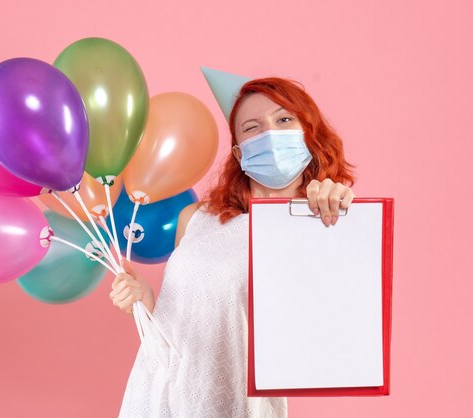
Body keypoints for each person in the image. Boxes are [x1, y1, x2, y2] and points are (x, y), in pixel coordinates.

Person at [111, 68, 356, 417]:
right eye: (252, 127)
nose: (269, 133)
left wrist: (340, 211)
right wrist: (146, 303)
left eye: (284, 119)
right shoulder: (196, 219)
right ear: (240, 155)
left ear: (308, 137)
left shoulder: (319, 222)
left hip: (237, 407)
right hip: (155, 401)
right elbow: (184, 328)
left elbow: (333, 312)